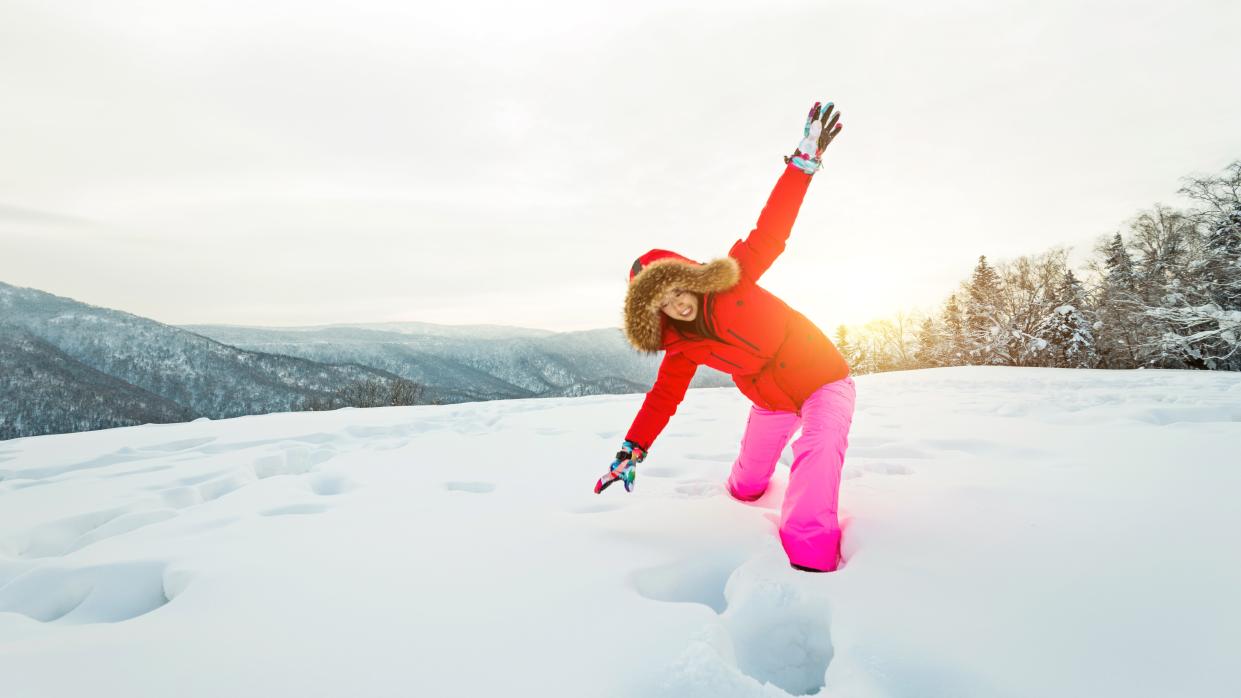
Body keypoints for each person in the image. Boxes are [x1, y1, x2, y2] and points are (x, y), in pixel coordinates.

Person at [594, 101, 855, 573]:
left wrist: (802, 164)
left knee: (817, 448)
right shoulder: (681, 346)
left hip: (820, 376)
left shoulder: (733, 276)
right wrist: (631, 449)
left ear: (689, 277)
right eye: (662, 303)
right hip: (769, 399)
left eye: (676, 289)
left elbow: (771, 229)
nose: (676, 304)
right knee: (747, 485)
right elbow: (662, 397)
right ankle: (745, 494)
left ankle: (810, 560)